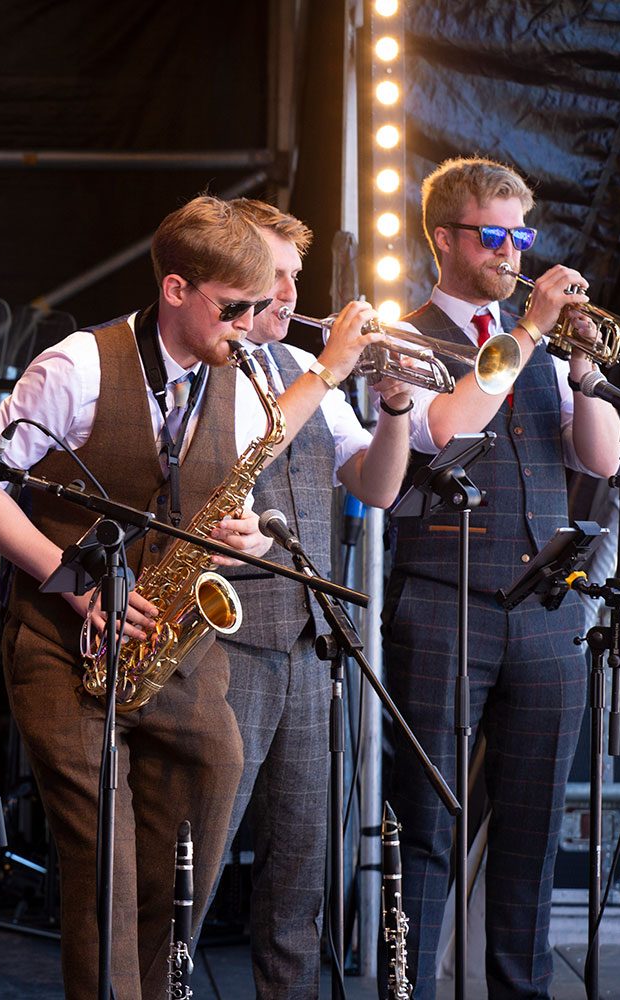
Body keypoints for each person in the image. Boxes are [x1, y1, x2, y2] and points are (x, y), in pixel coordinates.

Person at [0, 194, 293, 1000]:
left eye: (256, 309)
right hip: (62, 649)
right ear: (176, 289)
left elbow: (243, 512)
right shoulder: (76, 365)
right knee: (101, 866)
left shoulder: (239, 385)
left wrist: (256, 540)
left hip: (175, 652)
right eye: (233, 308)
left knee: (206, 803)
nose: (246, 325)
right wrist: (74, 581)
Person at [384, 156, 620, 1000]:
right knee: (426, 827)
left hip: (546, 611)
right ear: (445, 238)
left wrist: (586, 369)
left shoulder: (544, 353)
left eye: (522, 233)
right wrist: (524, 335)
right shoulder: (405, 334)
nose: (513, 252)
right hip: (443, 603)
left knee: (530, 833)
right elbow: (445, 431)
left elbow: (602, 457)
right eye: (495, 234)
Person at [204, 199, 412, 998]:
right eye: (275, 274)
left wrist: (394, 405)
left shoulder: (302, 373)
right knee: (200, 856)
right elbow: (240, 455)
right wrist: (330, 366)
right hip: (223, 646)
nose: (289, 294)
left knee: (300, 874)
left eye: (294, 276)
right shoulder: (205, 365)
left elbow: (378, 485)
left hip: (308, 642)